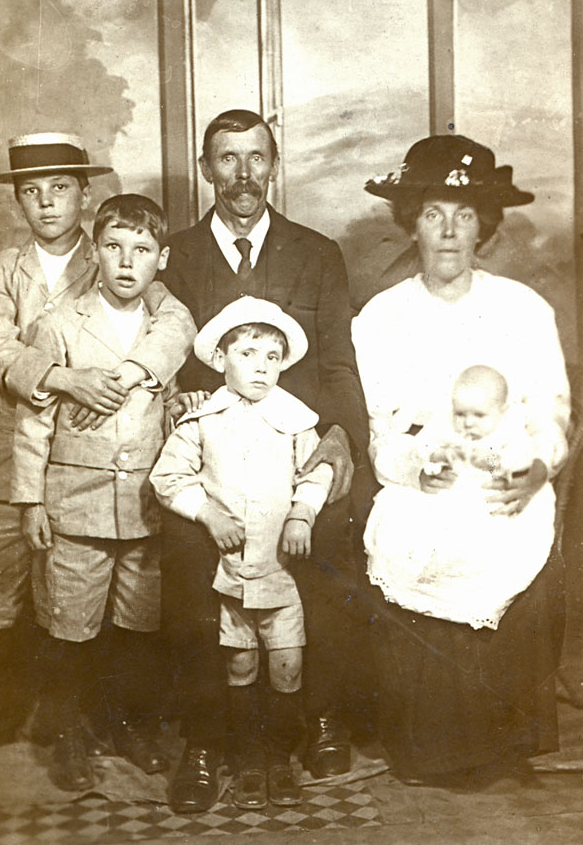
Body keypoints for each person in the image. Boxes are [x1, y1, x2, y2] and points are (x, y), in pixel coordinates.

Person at [0, 135, 194, 775]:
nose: (47, 202)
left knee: (94, 597)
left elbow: (174, 323)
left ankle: (89, 722)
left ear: (85, 195)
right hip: (7, 451)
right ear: (17, 201)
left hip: (96, 457)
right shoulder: (4, 267)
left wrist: (125, 379)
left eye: (60, 187)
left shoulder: (114, 250)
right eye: (31, 191)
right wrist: (67, 380)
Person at [161, 108, 369, 812]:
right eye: (227, 158)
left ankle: (320, 715)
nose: (243, 174)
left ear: (274, 166)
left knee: (328, 535)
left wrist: (340, 438)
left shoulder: (317, 252)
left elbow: (337, 362)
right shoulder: (177, 255)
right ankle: (204, 739)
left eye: (256, 158)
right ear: (205, 169)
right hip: (214, 456)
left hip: (296, 451)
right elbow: (165, 359)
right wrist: (178, 410)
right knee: (188, 551)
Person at [351, 134, 570, 787]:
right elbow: (380, 431)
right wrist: (416, 468)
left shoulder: (522, 309)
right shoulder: (380, 318)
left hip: (506, 470)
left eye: (464, 214)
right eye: (432, 214)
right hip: (426, 475)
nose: (448, 231)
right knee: (414, 540)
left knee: (507, 537)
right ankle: (431, 741)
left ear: (484, 226)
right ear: (410, 223)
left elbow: (550, 409)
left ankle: (503, 736)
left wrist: (537, 469)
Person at [11, 194, 195, 792]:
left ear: (161, 259)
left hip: (144, 507)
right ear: (95, 252)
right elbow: (33, 421)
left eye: (142, 249)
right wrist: (30, 501)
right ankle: (70, 736)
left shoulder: (165, 326)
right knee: (71, 629)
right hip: (75, 506)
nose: (126, 261)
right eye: (113, 246)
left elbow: (169, 400)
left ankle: (128, 727)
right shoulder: (60, 323)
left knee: (138, 629)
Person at [151, 297, 332, 810]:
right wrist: (207, 512)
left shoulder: (295, 421)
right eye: (248, 353)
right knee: (241, 664)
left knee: (288, 665)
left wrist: (302, 513)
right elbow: (167, 477)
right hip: (231, 575)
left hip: (281, 573)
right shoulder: (203, 420)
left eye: (272, 356)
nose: (261, 367)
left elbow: (317, 472)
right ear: (220, 358)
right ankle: (250, 758)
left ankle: (279, 758)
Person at [364, 363, 566, 631]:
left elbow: (516, 461)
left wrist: (491, 461)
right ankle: (423, 589)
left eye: (479, 415)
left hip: (486, 494)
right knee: (409, 525)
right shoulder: (447, 425)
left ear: (501, 410)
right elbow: (423, 446)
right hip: (448, 491)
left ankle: (467, 601)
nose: (468, 422)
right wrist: (438, 456)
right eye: (461, 414)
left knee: (487, 541)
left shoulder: (508, 430)